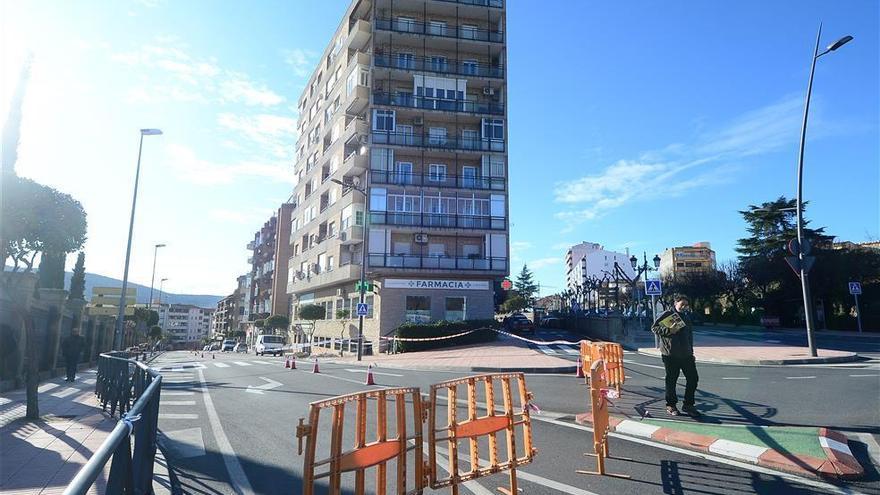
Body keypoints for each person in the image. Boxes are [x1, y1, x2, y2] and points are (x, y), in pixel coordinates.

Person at [651, 295, 700, 417]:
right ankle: (671, 405)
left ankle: (688, 404)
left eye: (686, 305)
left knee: (693, 378)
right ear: (675, 303)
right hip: (671, 354)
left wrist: (691, 352)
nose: (684, 307)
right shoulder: (667, 314)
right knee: (672, 380)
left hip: (686, 354)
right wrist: (669, 331)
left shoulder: (686, 318)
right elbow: (654, 328)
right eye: (681, 304)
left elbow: (689, 337)